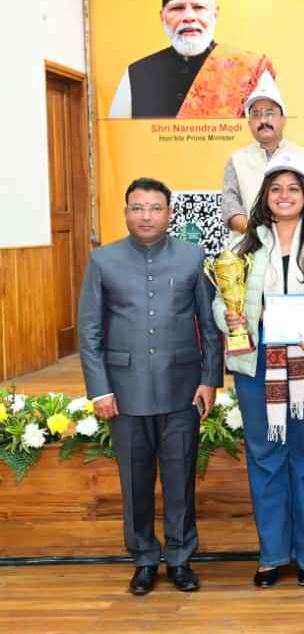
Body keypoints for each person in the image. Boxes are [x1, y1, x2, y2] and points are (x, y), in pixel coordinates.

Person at [212, 155, 304, 588]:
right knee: (265, 456)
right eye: (276, 189)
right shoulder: (243, 246)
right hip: (258, 364)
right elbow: (222, 300)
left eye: (294, 188)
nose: (285, 196)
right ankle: (273, 554)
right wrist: (231, 321)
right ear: (265, 197)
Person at [77, 177, 223, 595]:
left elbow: (209, 326)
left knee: (180, 480)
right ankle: (143, 559)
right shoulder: (103, 260)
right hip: (124, 393)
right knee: (135, 481)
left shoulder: (193, 257)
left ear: (169, 213)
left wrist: (209, 380)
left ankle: (179, 558)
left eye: (155, 208)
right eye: (137, 208)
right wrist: (100, 390)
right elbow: (89, 331)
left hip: (182, 389)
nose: (146, 216)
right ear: (126, 212)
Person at [109, 0, 275, 119]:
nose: (189, 17)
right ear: (162, 17)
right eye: (177, 8)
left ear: (215, 13)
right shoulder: (136, 75)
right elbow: (118, 137)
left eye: (199, 7)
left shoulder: (249, 70)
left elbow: (270, 135)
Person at [222, 76, 304, 236]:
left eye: (270, 113)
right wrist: (255, 235)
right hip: (248, 245)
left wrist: (285, 239)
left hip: (296, 245)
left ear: (283, 119)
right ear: (249, 123)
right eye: (256, 114)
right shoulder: (236, 160)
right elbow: (230, 207)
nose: (263, 120)